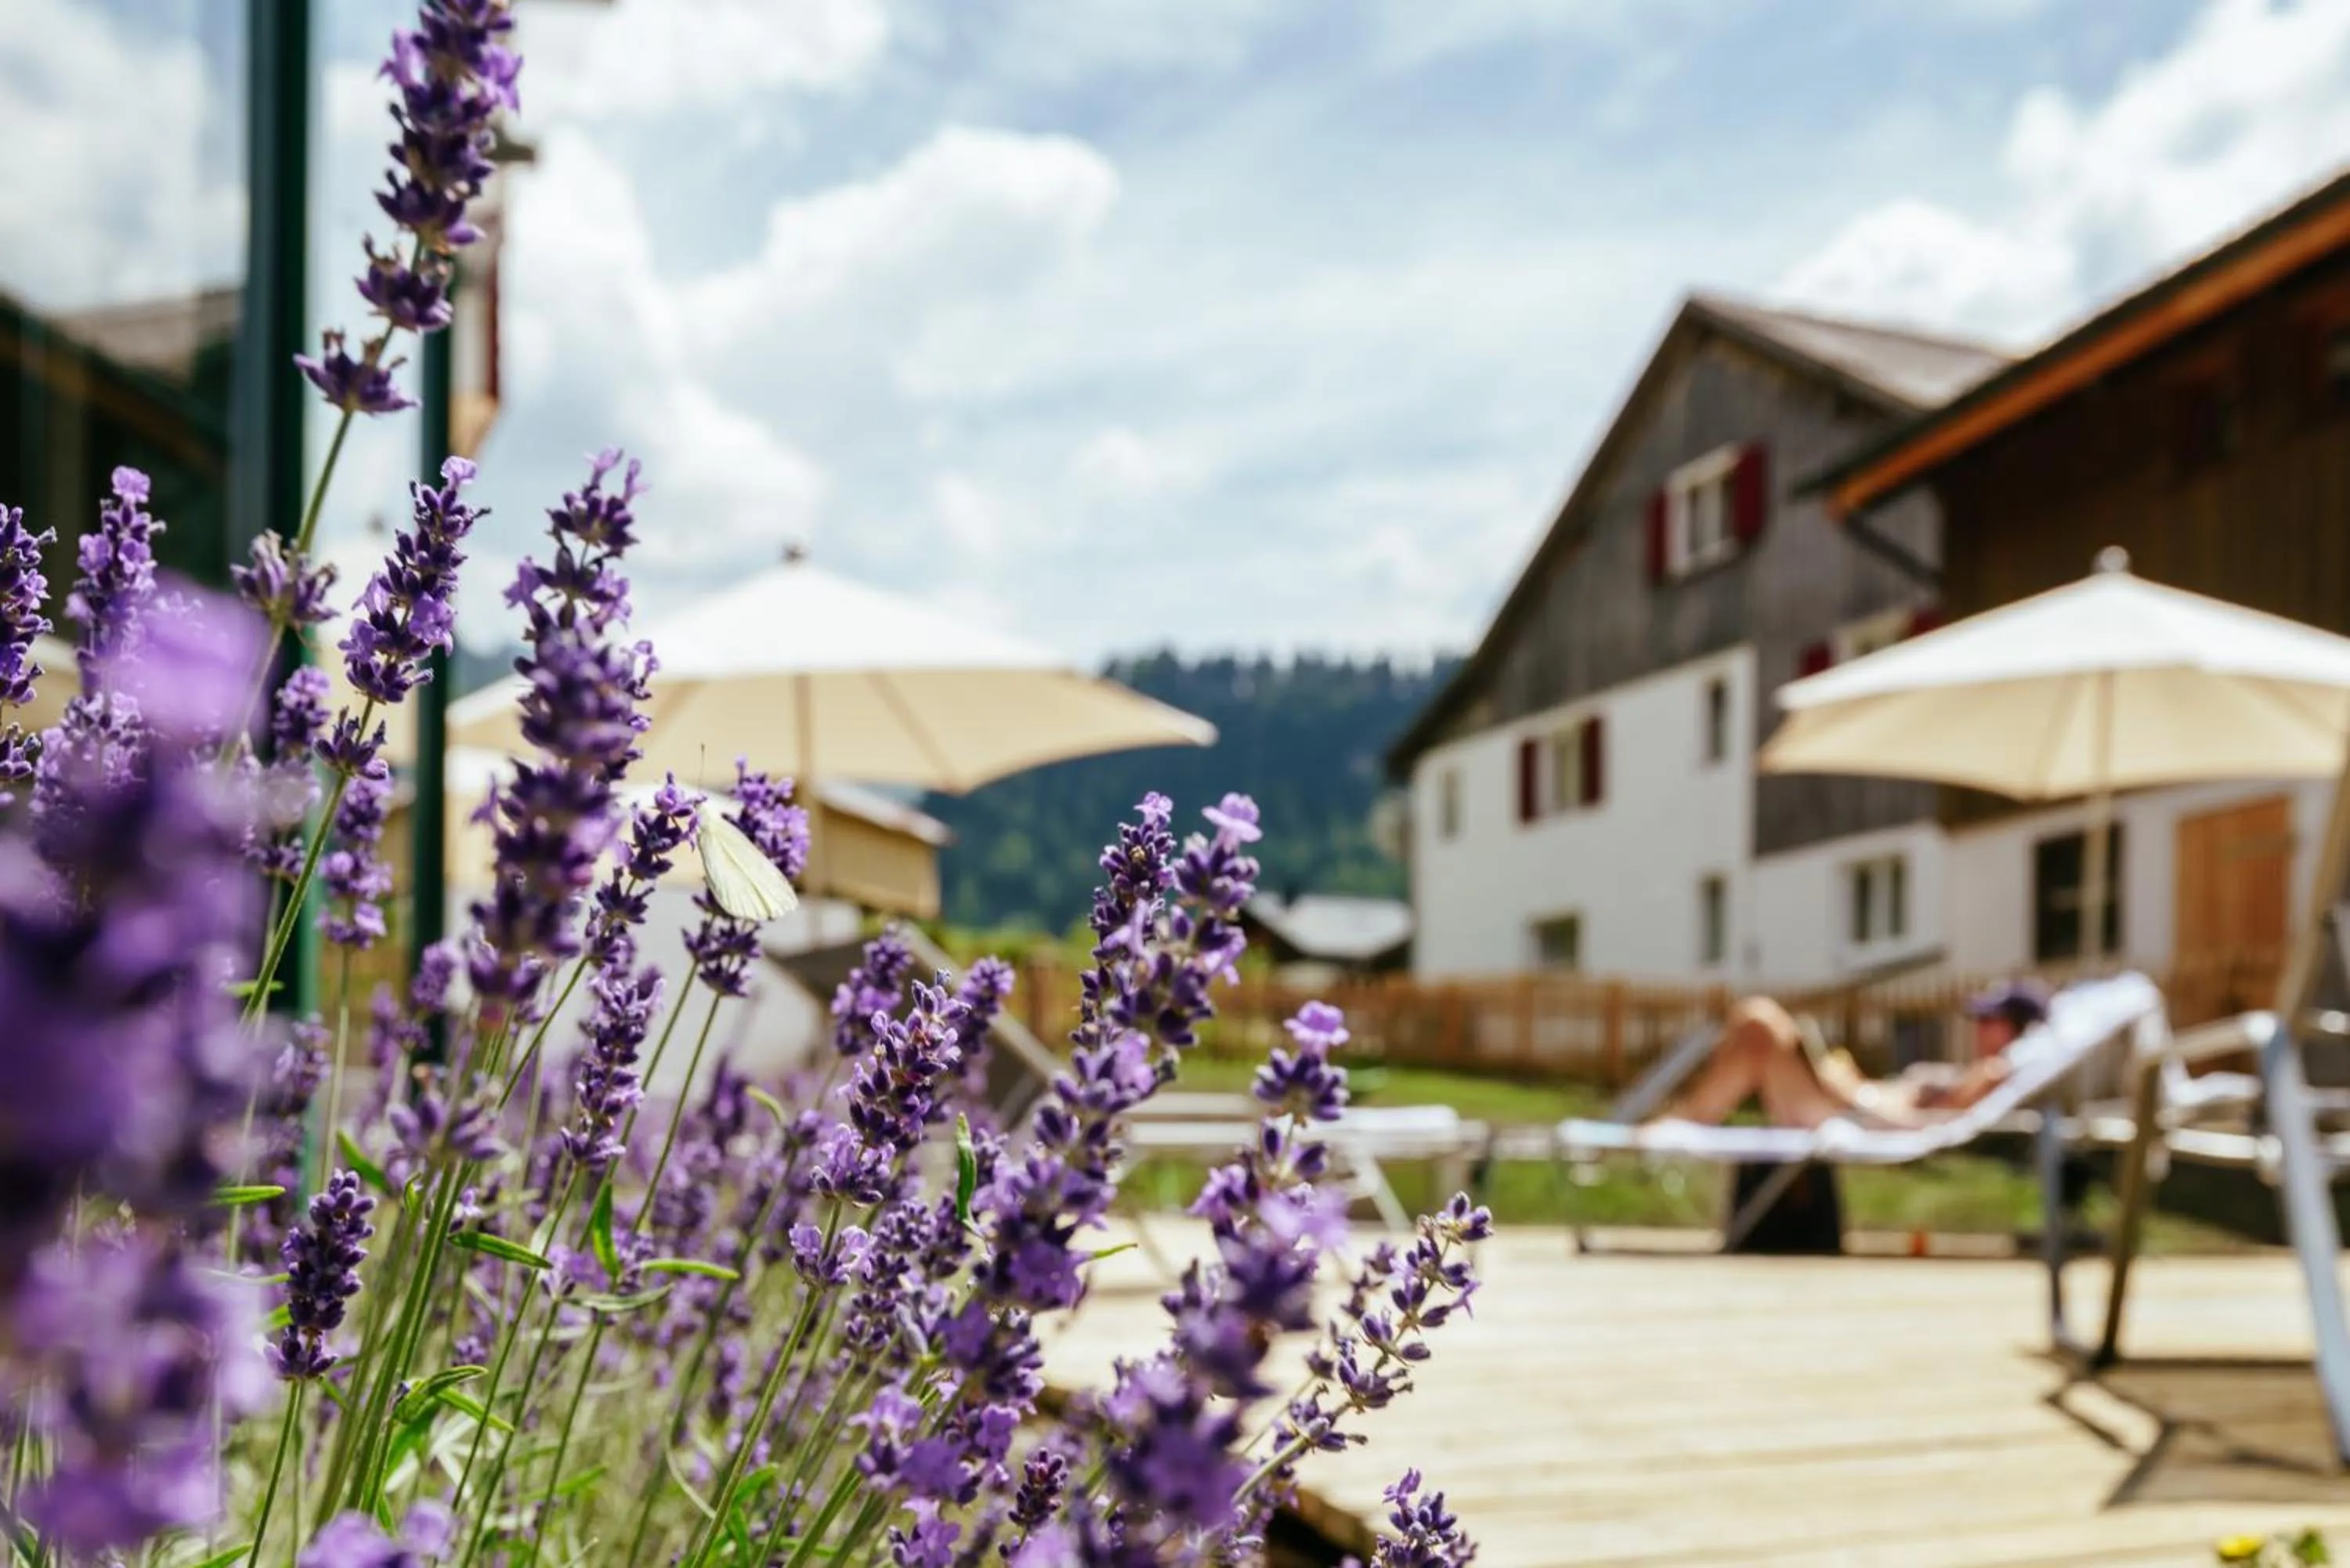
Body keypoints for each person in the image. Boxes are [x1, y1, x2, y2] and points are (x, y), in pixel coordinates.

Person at [1657, 979, 2052, 1131]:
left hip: (1850, 1114)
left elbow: (1920, 1122)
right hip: (1847, 1106)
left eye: (1989, 1020)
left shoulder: (1995, 1071)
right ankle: (1688, 1117)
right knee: (1755, 1026)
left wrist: (1852, 1091)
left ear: (2012, 1026)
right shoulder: (1982, 1071)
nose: (1978, 1028)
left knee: (1759, 1022)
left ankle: (1686, 1119)